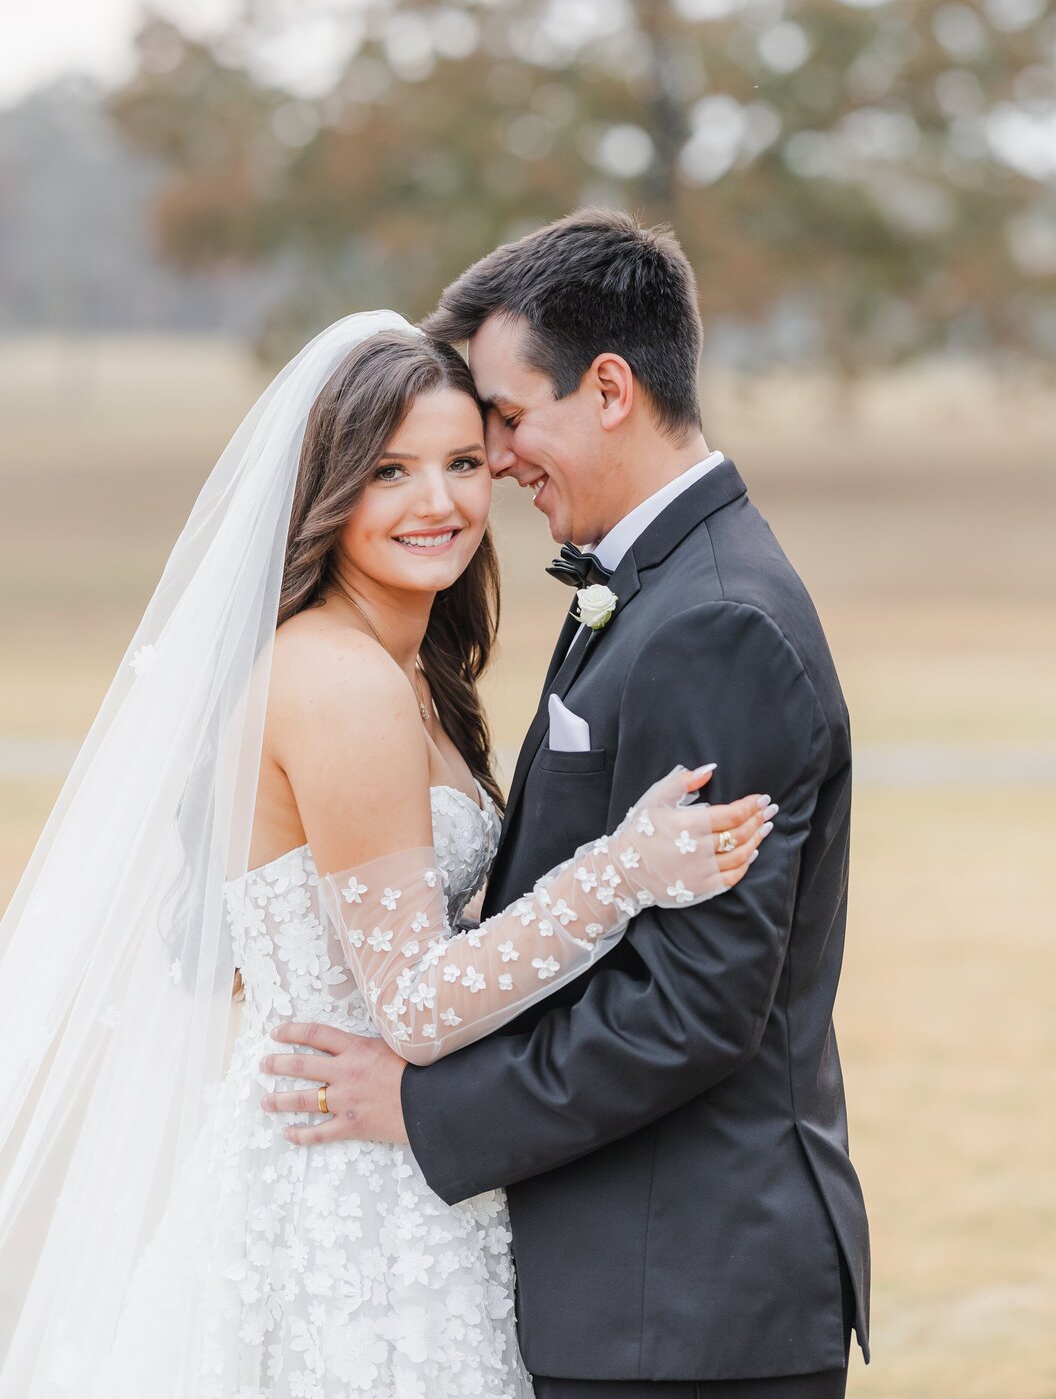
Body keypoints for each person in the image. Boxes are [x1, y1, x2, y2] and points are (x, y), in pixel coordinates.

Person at [0, 310, 768, 1398]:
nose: (439, 503)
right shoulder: (340, 683)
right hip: (354, 1201)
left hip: (382, 1162)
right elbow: (417, 1008)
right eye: (391, 472)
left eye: (465, 462)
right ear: (328, 493)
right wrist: (627, 871)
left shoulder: (407, 666)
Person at [269, 216, 871, 1399]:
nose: (490, 462)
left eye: (500, 419)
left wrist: (430, 1108)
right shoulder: (646, 588)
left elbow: (694, 1008)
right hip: (621, 1285)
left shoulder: (713, 621)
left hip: (684, 1293)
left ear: (607, 388)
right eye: (401, 463)